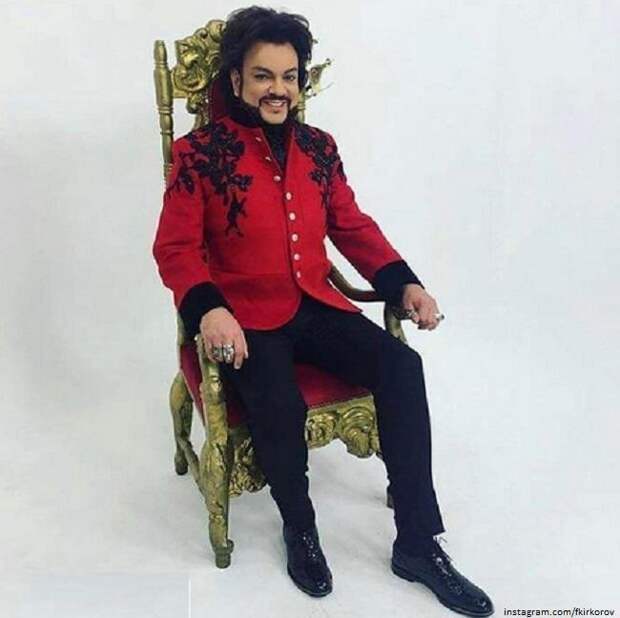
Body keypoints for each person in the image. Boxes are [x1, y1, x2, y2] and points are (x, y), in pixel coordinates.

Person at [152, 6, 494, 616]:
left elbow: (351, 226)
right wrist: (209, 310)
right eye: (263, 75)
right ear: (236, 79)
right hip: (245, 319)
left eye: (289, 76)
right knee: (278, 400)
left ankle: (418, 544)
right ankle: (300, 530)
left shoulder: (318, 148)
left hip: (315, 303)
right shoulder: (197, 154)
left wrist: (404, 284)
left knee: (402, 367)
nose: (278, 89)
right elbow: (174, 249)